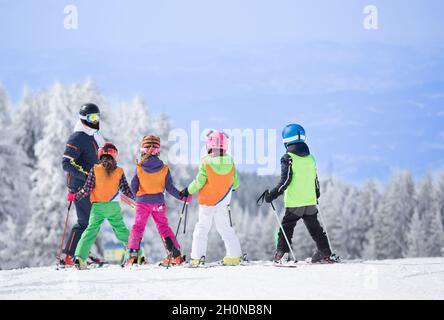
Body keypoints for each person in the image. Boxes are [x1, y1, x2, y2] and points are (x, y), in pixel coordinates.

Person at [262, 124, 336, 264]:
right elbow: (314, 179)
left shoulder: (288, 158)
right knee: (316, 229)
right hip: (310, 201)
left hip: (295, 202)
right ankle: (325, 253)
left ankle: (282, 254)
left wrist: (272, 194)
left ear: (286, 140)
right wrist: (316, 193)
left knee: (286, 228)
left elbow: (286, 181)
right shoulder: (310, 158)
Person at [67, 142, 135, 269]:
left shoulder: (95, 169)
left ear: (100, 154)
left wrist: (75, 196)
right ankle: (135, 255)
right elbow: (126, 190)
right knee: (121, 230)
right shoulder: (119, 171)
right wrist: (137, 198)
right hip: (113, 207)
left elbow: (87, 188)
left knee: (90, 231)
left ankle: (80, 258)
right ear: (114, 155)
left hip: (98, 207)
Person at [180, 130, 243, 267]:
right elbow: (236, 182)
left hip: (207, 203)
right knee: (225, 228)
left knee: (202, 228)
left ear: (209, 145)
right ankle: (234, 256)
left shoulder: (206, 162)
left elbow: (199, 181)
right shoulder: (230, 162)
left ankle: (197, 257)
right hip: (223, 202)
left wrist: (188, 190)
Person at [125, 136, 190, 267]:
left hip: (142, 203)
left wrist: (136, 197)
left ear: (143, 150)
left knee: (138, 227)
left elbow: (133, 187)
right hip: (158, 203)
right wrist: (182, 197)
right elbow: (170, 188)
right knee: (163, 228)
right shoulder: (164, 168)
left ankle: (132, 255)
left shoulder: (139, 168)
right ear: (158, 151)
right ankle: (175, 255)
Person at [61, 103, 104, 266]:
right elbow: (66, 163)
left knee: (92, 222)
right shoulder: (78, 137)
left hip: (91, 185)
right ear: (83, 119)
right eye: (92, 118)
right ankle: (70, 256)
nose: (95, 121)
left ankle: (82, 252)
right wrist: (86, 176)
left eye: (97, 117)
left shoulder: (93, 137)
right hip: (81, 186)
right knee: (84, 222)